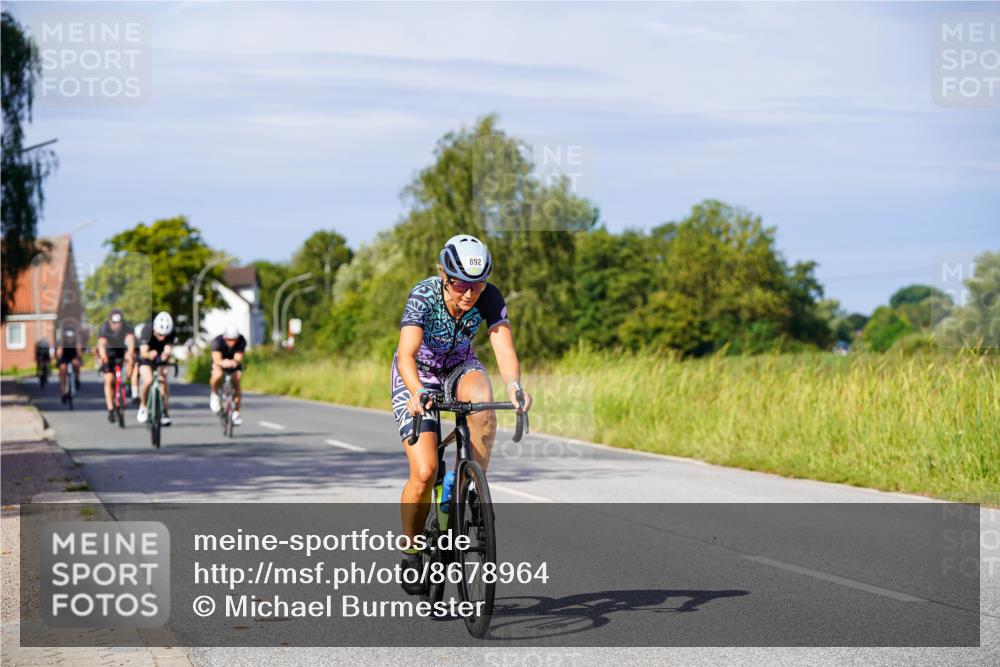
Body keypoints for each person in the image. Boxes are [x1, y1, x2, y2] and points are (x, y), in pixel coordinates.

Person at [391, 234, 532, 593]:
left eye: (478, 285)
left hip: (458, 367)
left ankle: (468, 490)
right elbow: (406, 353)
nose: (469, 294)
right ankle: (410, 549)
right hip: (418, 375)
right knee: (424, 472)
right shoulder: (423, 295)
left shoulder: (490, 296)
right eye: (460, 285)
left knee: (483, 405)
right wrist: (417, 391)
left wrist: (514, 387)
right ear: (443, 276)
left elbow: (503, 346)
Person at [136, 312, 176, 425]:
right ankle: (143, 406)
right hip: (147, 356)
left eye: (165, 335)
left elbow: (169, 347)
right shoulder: (147, 330)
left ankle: (165, 412)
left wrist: (166, 354)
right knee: (148, 380)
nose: (162, 338)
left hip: (161, 357)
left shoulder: (171, 332)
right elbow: (143, 352)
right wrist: (149, 354)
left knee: (163, 379)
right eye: (159, 335)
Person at [97, 309, 136, 422]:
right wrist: (103, 356)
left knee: (131, 361)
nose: (117, 325)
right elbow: (101, 343)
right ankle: (110, 409)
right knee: (109, 380)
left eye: (119, 322)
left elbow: (130, 339)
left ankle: (128, 383)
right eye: (114, 323)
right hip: (109, 353)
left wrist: (130, 352)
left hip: (121, 352)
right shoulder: (104, 328)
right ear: (109, 322)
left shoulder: (127, 326)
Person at [209, 325, 246, 426]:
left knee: (237, 379)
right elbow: (216, 359)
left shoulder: (241, 340)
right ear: (224, 338)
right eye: (229, 340)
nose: (232, 342)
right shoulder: (217, 341)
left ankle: (236, 412)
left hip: (233, 362)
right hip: (220, 361)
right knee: (217, 374)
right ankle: (214, 394)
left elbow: (238, 357)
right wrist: (222, 363)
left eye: (234, 340)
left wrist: (234, 362)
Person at [56, 327, 82, 402]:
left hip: (73, 355)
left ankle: (77, 378)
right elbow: (59, 351)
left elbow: (78, 349)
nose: (69, 338)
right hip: (64, 357)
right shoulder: (62, 341)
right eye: (68, 337)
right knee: (63, 371)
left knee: (76, 364)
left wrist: (79, 356)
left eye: (71, 337)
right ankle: (63, 393)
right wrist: (59, 356)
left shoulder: (76, 340)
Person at [131, 322, 145, 403]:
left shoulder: (146, 338)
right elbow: (132, 352)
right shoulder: (134, 341)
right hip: (138, 357)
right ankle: (135, 393)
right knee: (136, 369)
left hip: (145, 358)